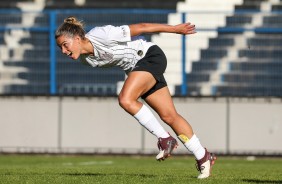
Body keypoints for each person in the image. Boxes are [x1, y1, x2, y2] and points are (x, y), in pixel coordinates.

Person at [55, 16, 216, 179]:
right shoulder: (86, 60)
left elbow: (142, 26)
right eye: (60, 48)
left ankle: (165, 139)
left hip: (149, 56)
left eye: (64, 45)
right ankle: (203, 156)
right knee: (169, 116)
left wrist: (174, 29)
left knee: (125, 99)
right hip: (139, 69)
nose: (63, 51)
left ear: (76, 38)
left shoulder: (101, 34)